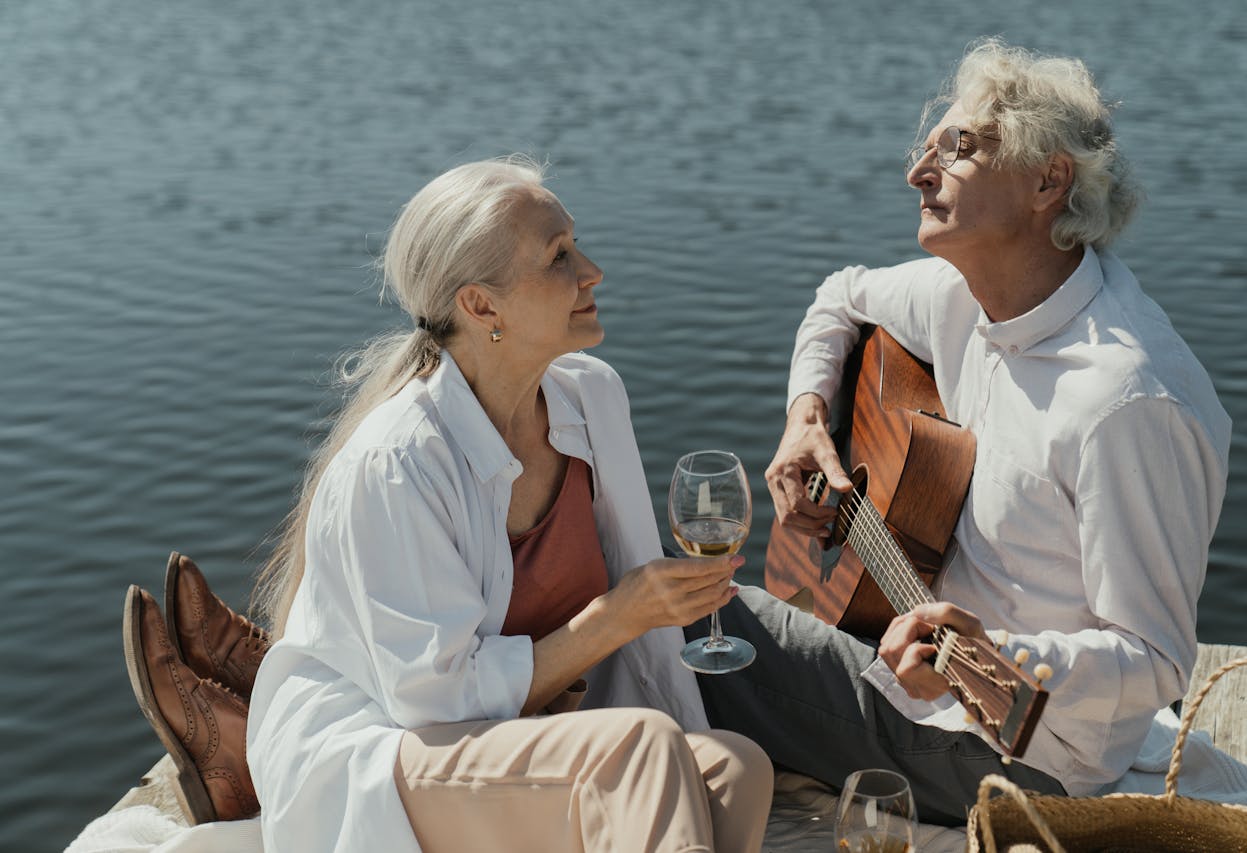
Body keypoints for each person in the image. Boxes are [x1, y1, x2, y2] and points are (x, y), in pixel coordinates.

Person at [129, 157, 776, 852]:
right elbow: (432, 703)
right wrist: (615, 617)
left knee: (737, 768)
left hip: (510, 739)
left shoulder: (592, 396)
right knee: (642, 749)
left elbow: (635, 644)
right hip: (390, 749)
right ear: (480, 305)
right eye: (559, 255)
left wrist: (651, 635)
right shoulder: (398, 462)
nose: (592, 270)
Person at [688, 38, 1232, 826]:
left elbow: (1155, 659)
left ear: (1050, 181)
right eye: (927, 147)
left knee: (687, 619)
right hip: (920, 665)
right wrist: (807, 418)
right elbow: (839, 297)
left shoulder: (1127, 399)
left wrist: (985, 655)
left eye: (960, 148)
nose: (918, 173)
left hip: (1021, 751)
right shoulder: (963, 293)